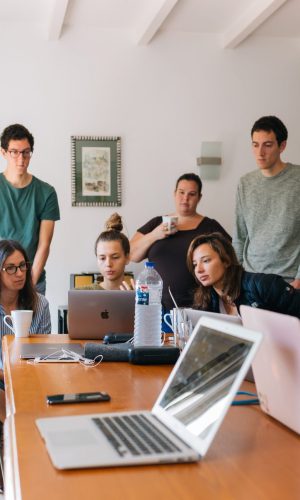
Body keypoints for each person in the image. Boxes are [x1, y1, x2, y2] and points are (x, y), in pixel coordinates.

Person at [130, 173, 231, 311]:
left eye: (192, 194)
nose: (185, 198)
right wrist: (155, 234)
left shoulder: (210, 226)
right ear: (174, 193)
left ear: (199, 198)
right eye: (181, 192)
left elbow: (231, 258)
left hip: (201, 305)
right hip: (156, 307)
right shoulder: (157, 223)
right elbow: (131, 254)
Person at [233, 115, 300, 289]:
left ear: (282, 146)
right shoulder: (245, 183)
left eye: (267, 145)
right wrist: (235, 276)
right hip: (250, 280)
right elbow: (239, 236)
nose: (260, 153)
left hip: (289, 281)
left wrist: (299, 280)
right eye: (255, 145)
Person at [0, 124, 60, 294]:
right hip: (1, 279)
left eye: (26, 152)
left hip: (33, 279)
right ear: (3, 152)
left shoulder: (46, 192)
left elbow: (44, 244)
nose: (21, 159)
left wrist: (29, 286)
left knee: (35, 321)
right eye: (14, 152)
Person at [187, 232, 300, 318]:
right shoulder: (206, 299)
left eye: (206, 260)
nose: (199, 270)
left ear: (226, 260)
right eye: (195, 264)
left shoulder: (264, 285)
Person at [0, 239, 51, 418]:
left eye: (22, 266)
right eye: (11, 268)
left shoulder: (40, 304)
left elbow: (44, 354)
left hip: (29, 376)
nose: (19, 273)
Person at [82, 213, 133, 290]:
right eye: (102, 258)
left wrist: (134, 301)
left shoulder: (139, 295)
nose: (108, 264)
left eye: (115, 257)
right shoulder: (81, 294)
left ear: (127, 258)